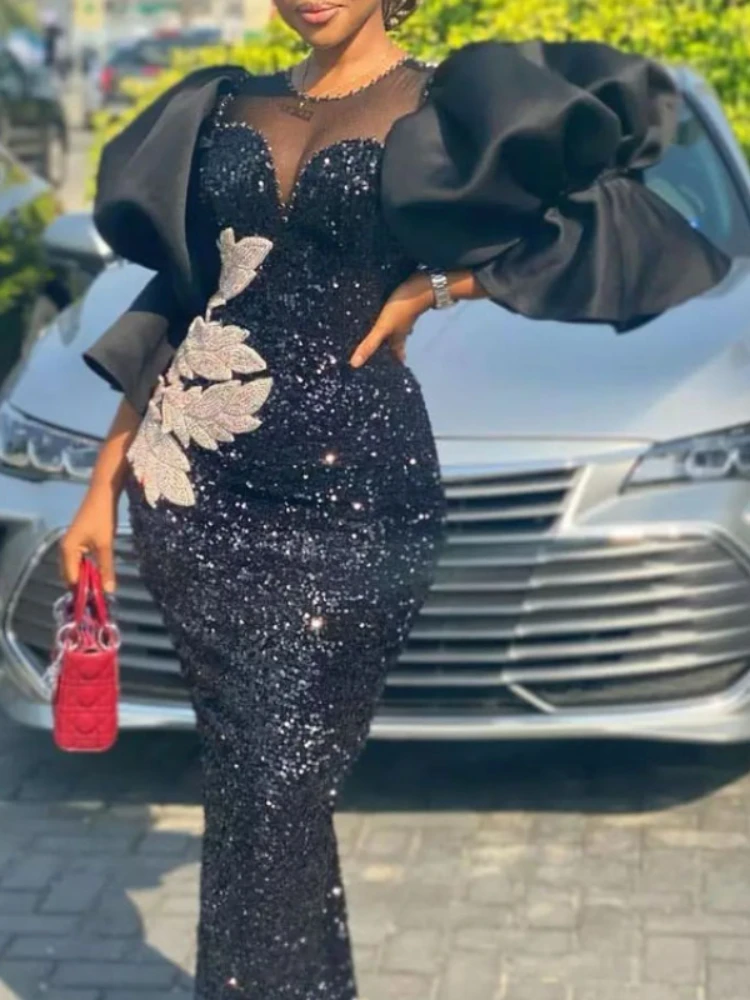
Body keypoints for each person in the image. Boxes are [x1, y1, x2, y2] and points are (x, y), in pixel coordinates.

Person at [60, 0, 730, 994]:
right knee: (257, 793)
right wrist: (99, 485)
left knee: (278, 784)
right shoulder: (220, 109)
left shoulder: (448, 108)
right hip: (196, 494)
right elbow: (178, 300)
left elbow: (634, 209)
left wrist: (441, 286)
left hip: (357, 494)